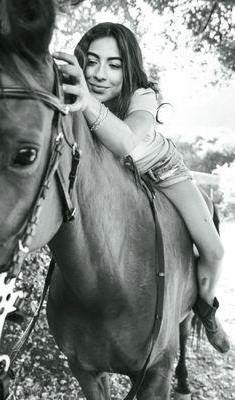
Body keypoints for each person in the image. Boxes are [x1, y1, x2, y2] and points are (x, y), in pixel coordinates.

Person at [53, 22, 229, 353]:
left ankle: (207, 311)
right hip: (114, 183)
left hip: (163, 173)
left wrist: (86, 100)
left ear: (128, 66)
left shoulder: (142, 96)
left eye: (114, 65)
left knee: (214, 250)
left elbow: (127, 142)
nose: (99, 74)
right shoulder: (73, 93)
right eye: (91, 61)